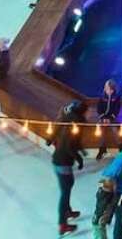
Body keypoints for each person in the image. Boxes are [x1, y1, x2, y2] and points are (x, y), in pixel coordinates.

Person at [50, 101, 87, 236]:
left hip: (58, 160)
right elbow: (69, 146)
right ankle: (62, 224)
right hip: (62, 162)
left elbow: (58, 133)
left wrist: (81, 151)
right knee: (65, 192)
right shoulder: (76, 125)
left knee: (69, 185)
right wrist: (79, 158)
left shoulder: (67, 120)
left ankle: (68, 211)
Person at [94, 79, 122, 160]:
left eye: (109, 88)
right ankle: (102, 149)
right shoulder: (102, 96)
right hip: (103, 118)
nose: (107, 90)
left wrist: (110, 118)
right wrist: (103, 118)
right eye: (106, 88)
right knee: (100, 130)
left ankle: (121, 147)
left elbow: (117, 109)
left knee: (115, 130)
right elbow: (99, 109)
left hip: (112, 118)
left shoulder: (117, 97)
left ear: (113, 89)